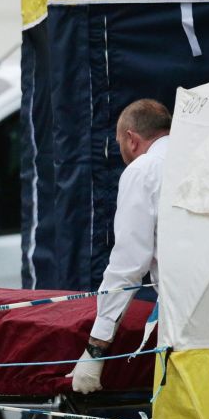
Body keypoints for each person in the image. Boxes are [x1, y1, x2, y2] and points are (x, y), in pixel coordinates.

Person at [71, 99, 171, 393]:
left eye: (119, 143)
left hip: (185, 323)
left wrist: (95, 349)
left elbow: (128, 265)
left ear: (131, 138)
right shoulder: (204, 156)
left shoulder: (144, 170)